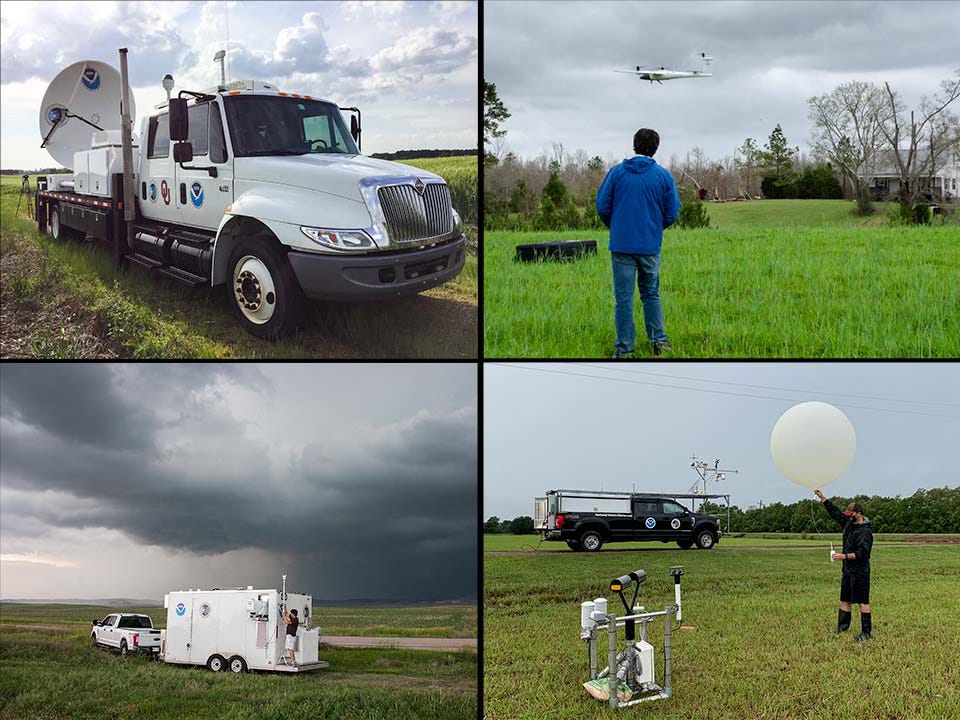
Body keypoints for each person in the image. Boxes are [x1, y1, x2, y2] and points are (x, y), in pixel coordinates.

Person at [596, 128, 681, 358]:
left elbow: (602, 206)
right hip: (649, 246)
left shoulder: (616, 173)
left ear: (634, 145)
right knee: (651, 294)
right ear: (656, 148)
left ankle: (624, 350)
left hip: (621, 245)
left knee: (623, 299)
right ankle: (659, 342)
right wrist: (654, 227)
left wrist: (617, 226)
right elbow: (672, 212)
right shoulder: (663, 176)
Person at [813, 489, 874, 642]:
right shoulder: (848, 523)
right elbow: (835, 513)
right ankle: (842, 627)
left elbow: (863, 554)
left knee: (863, 601)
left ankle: (866, 633)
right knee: (845, 599)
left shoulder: (865, 531)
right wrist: (823, 498)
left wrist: (843, 556)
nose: (849, 516)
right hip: (847, 570)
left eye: (851, 514)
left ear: (859, 513)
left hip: (860, 571)